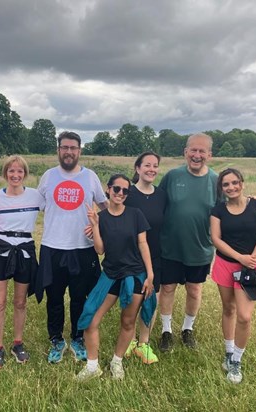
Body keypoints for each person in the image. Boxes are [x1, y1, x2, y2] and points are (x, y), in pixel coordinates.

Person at [35, 131, 108, 364]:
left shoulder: (90, 177)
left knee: (80, 297)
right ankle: (56, 339)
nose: (68, 152)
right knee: (54, 297)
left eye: (73, 148)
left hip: (82, 248)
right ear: (58, 150)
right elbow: (34, 204)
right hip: (52, 247)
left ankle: (77, 338)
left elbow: (107, 207)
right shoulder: (48, 176)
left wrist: (99, 228)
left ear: (80, 151)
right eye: (64, 147)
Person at [76, 174, 156, 381]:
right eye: (116, 189)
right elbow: (100, 250)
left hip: (134, 275)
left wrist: (150, 275)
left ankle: (116, 361)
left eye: (125, 190)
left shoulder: (135, 214)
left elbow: (143, 244)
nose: (120, 193)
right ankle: (93, 366)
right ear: (108, 190)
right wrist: (94, 225)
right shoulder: (101, 218)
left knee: (128, 321)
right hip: (110, 275)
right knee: (91, 319)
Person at [0, 155, 44, 369]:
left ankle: (17, 343)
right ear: (5, 173)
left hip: (25, 249)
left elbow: (58, 213)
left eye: (20, 171)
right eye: (11, 171)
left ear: (25, 174)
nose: (15, 175)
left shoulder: (36, 196)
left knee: (21, 302)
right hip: (1, 250)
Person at [158, 133, 217, 352]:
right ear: (185, 152)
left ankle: (187, 329)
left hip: (200, 248)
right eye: (193, 150)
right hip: (170, 246)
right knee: (167, 287)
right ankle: (166, 331)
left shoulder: (216, 180)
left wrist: (253, 202)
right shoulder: (172, 176)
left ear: (209, 155)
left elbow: (229, 208)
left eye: (202, 151)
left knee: (194, 289)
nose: (197, 155)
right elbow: (156, 203)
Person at [210, 168, 256, 384]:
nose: (231, 187)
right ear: (222, 188)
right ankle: (228, 351)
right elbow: (216, 239)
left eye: (235, 183)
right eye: (226, 184)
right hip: (226, 264)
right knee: (228, 309)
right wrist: (239, 257)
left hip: (250, 268)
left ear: (242, 183)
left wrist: (251, 259)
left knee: (244, 316)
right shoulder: (218, 211)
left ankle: (237, 360)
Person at [123, 152, 166, 364]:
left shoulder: (162, 195)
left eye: (155, 165)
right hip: (130, 255)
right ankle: (129, 340)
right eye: (147, 165)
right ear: (138, 168)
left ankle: (144, 343)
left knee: (151, 298)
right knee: (131, 298)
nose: (151, 169)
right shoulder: (127, 193)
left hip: (156, 254)